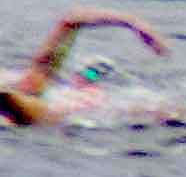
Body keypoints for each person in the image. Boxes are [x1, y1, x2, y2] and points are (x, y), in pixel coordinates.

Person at [1, 11, 170, 125]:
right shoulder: (26, 84)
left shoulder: (33, 83)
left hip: (59, 110)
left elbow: (70, 21)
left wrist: (134, 23)